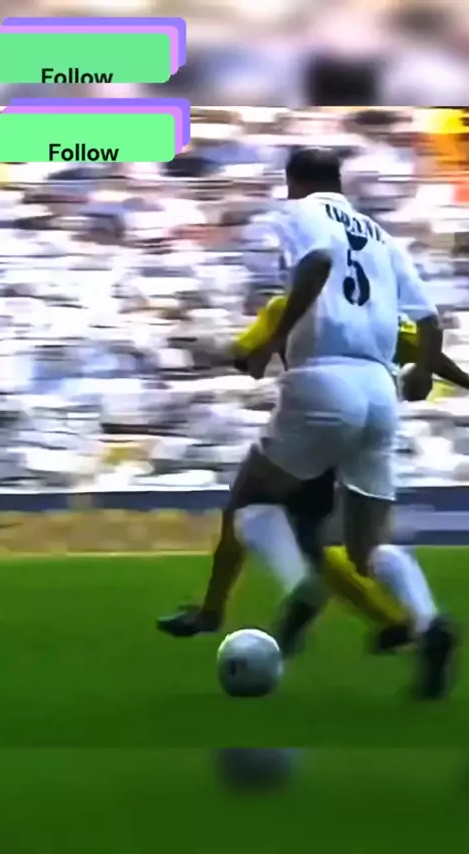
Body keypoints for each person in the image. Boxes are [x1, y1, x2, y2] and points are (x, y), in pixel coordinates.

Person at [161, 148, 458, 699]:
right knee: (368, 547)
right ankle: (427, 622)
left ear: (294, 181)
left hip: (322, 378)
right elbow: (427, 320)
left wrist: (272, 341)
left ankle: (300, 587)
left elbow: (317, 264)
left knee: (248, 503)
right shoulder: (379, 234)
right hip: (380, 390)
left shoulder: (301, 213)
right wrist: (420, 372)